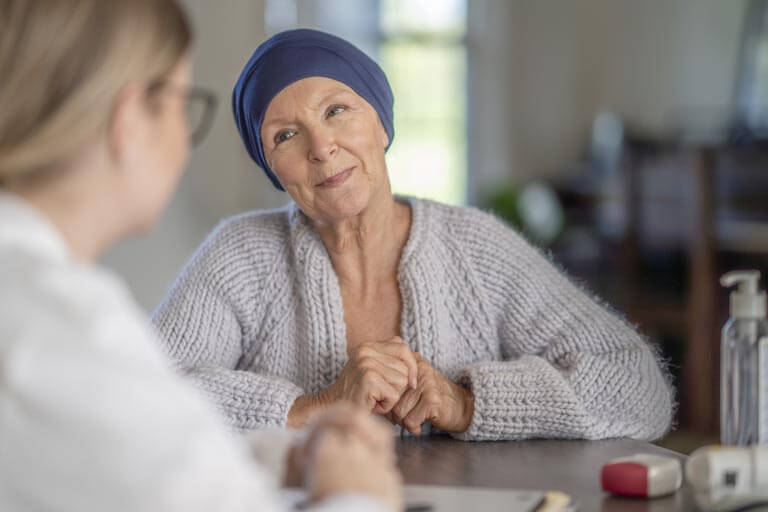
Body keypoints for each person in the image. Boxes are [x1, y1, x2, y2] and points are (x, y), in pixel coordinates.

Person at [153, 28, 675, 441]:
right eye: (285, 135)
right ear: (273, 168)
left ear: (380, 123)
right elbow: (139, 396)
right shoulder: (239, 255)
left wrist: (466, 404)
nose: (321, 147)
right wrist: (312, 409)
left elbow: (637, 386)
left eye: (337, 110)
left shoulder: (475, 247)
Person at [0, 2, 401, 511]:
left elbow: (140, 451)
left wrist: (279, 459)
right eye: (183, 102)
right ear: (129, 122)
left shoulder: (34, 303)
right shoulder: (66, 333)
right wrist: (355, 494)